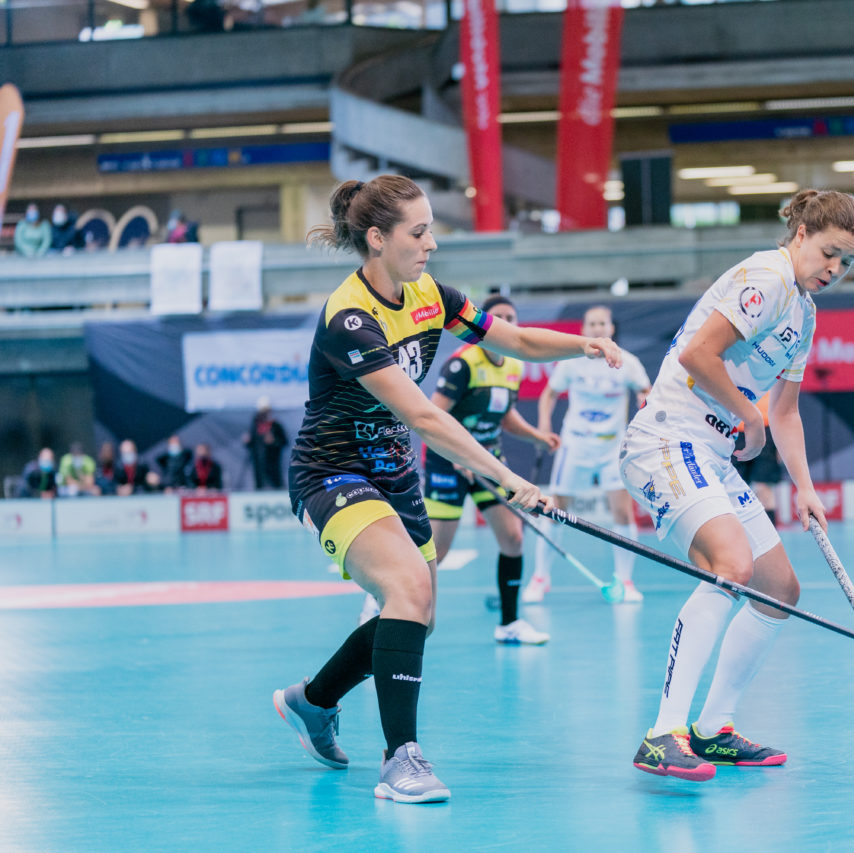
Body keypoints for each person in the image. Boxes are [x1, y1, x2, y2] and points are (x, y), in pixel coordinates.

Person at [271, 175, 621, 805]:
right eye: (419, 231)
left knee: (416, 615)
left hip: (394, 475)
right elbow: (426, 417)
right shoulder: (350, 317)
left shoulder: (429, 294)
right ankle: (399, 761)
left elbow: (513, 340)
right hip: (334, 474)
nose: (431, 243)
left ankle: (314, 701)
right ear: (377, 239)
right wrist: (510, 480)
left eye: (431, 229)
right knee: (405, 590)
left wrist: (584, 345)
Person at [618, 187, 854, 782]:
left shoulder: (804, 312)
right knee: (730, 565)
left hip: (709, 453)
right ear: (802, 234)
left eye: (848, 262)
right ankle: (663, 734)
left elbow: (785, 410)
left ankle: (713, 730)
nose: (834, 269)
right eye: (831, 253)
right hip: (666, 439)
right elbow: (699, 356)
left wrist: (804, 486)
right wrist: (745, 413)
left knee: (778, 588)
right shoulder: (769, 276)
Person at [384, 295, 561, 645]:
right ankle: (388, 601)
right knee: (438, 550)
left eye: (511, 317)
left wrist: (536, 436)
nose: (506, 322)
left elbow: (505, 414)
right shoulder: (462, 364)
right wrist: (458, 458)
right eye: (499, 317)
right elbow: (433, 417)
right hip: (447, 462)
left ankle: (509, 623)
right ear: (484, 325)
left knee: (512, 537)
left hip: (489, 462)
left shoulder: (514, 365)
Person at [529, 305, 652, 604]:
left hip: (612, 447)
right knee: (555, 510)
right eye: (592, 324)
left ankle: (625, 580)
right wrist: (544, 425)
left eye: (603, 323)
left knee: (622, 513)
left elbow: (646, 392)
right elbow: (549, 394)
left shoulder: (629, 362)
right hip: (575, 445)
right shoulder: (572, 362)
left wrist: (643, 399)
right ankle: (540, 578)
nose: (598, 328)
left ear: (611, 328)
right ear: (584, 329)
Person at [732, 394, 782, 528]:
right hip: (734, 429)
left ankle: (770, 541)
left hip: (766, 428)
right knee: (732, 489)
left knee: (763, 488)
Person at [245, 397, 287, 490]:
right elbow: (252, 444)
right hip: (258, 463)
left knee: (276, 484)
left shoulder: (276, 426)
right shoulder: (255, 425)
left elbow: (284, 442)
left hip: (273, 463)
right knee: (259, 485)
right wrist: (247, 441)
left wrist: (274, 441)